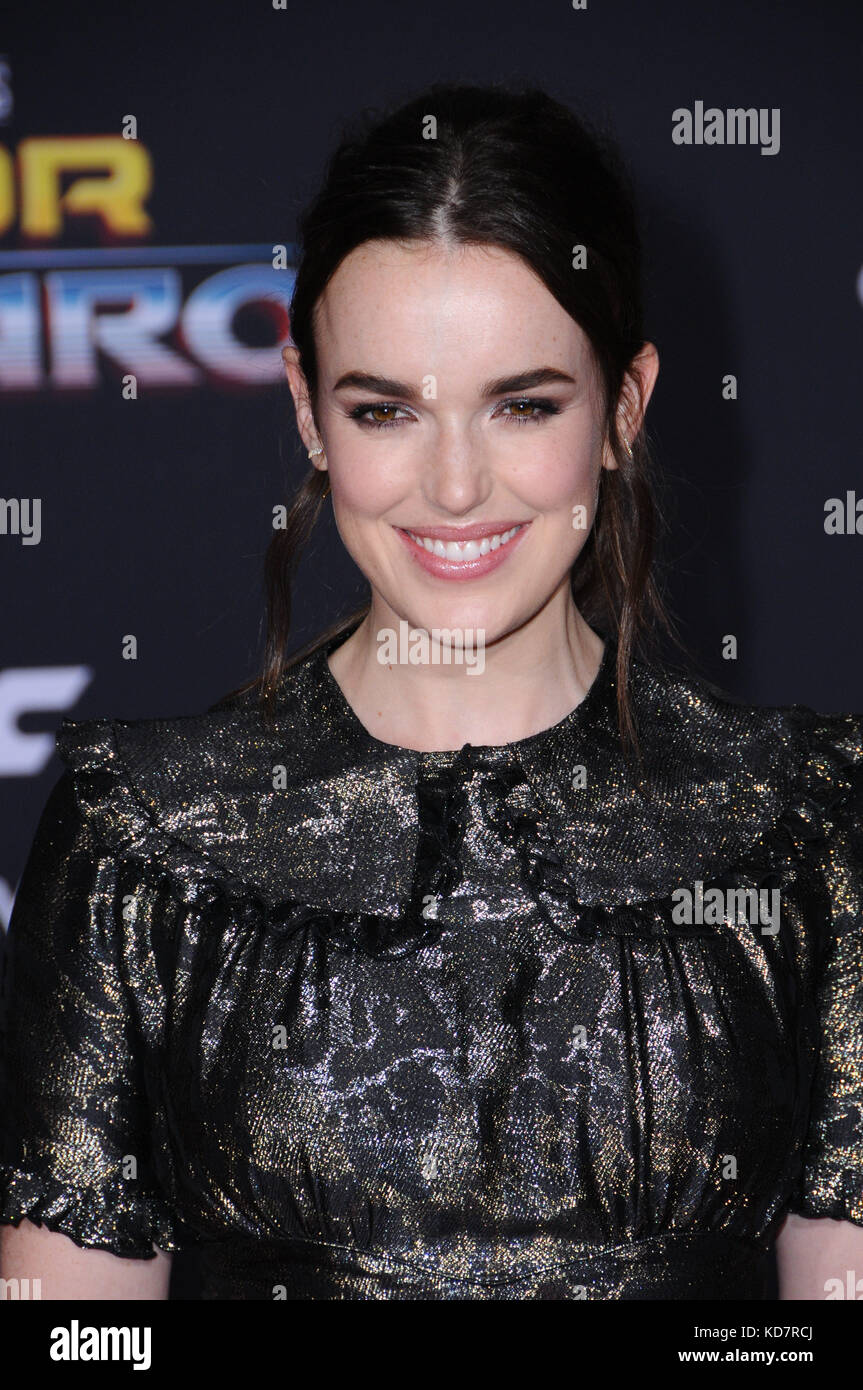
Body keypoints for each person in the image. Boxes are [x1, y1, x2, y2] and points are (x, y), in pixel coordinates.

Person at [1, 81, 861, 1301]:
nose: (454, 488)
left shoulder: (804, 821)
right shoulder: (142, 837)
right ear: (307, 409)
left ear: (623, 407)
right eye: (384, 409)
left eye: (522, 405)